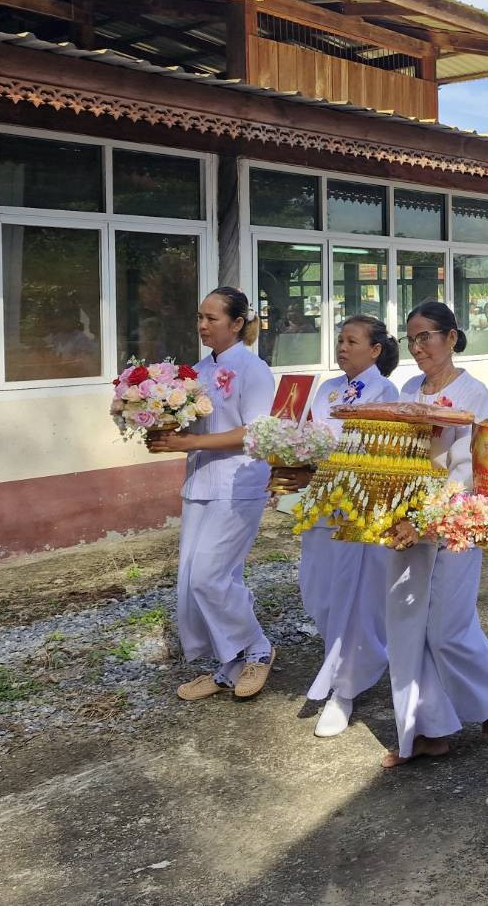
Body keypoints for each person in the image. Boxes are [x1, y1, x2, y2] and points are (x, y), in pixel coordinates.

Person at [380, 302, 488, 765]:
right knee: (408, 622)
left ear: (452, 338)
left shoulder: (474, 393)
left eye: (426, 337)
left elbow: (470, 469)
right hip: (403, 519)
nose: (417, 348)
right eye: (410, 339)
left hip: (455, 522)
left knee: (447, 626)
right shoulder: (408, 388)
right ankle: (428, 730)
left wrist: (428, 517)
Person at [147, 287, 278, 701]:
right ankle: (229, 665)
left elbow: (256, 432)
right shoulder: (196, 371)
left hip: (238, 484)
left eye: (212, 318)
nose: (203, 325)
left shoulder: (254, 370)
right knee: (191, 580)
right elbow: (194, 430)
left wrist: (188, 444)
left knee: (210, 577)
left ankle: (258, 648)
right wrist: (161, 431)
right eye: (200, 317)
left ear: (238, 324)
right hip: (200, 482)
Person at [292, 316, 400, 737]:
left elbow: (379, 453)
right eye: (340, 340)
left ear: (375, 350)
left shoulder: (385, 392)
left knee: (354, 599)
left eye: (351, 341)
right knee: (317, 591)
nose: (342, 347)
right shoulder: (326, 389)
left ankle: (345, 690)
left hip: (358, 505)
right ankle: (357, 661)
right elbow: (307, 435)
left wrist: (331, 456)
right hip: (321, 501)